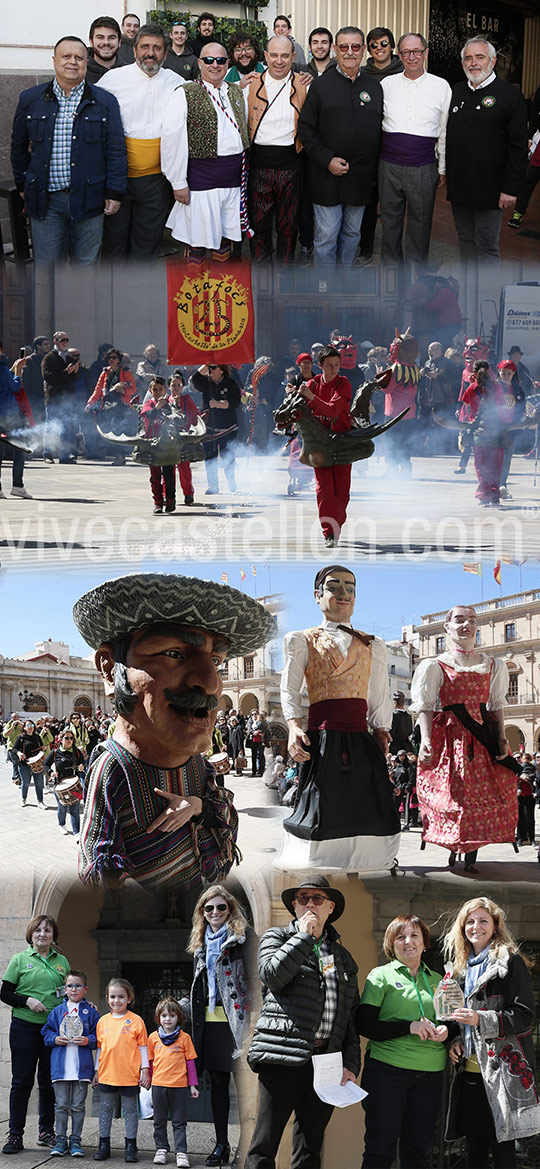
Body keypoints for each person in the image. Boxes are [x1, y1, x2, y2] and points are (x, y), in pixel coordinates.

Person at [75, 571, 275, 891]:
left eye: (216, 660)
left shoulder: (197, 764)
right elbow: (98, 862)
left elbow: (226, 816)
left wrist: (196, 806)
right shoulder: (113, 768)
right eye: (173, 654)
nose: (210, 682)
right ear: (111, 671)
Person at [278, 565, 401, 871]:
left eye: (351, 587)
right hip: (322, 738)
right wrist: (293, 726)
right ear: (318, 596)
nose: (344, 594)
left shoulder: (373, 643)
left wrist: (381, 727)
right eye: (334, 587)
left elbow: (378, 691)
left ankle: (366, 861)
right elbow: (290, 686)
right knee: (323, 803)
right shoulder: (301, 639)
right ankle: (320, 864)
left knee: (367, 802)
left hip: (361, 737)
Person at [245, 875, 360, 1169]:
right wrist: (304, 938)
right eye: (303, 898)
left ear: (330, 907)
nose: (310, 903)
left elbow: (349, 1016)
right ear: (294, 906)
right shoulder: (276, 938)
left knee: (310, 1147)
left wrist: (351, 1062)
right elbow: (272, 976)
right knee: (264, 1144)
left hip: (327, 1061)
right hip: (282, 1055)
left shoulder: (343, 957)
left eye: (317, 898)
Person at [410, 603, 518, 870]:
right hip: (451, 739)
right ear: (447, 626)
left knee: (480, 796)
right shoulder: (435, 665)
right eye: (459, 620)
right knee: (453, 794)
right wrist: (425, 738)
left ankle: (471, 854)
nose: (466, 624)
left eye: (471, 620)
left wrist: (501, 736)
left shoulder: (492, 665)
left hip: (481, 739)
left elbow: (496, 705)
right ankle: (452, 846)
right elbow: (425, 705)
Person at [11, 36, 126, 264]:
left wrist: (114, 192)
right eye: (66, 56)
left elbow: (116, 150)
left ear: (86, 62)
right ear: (54, 60)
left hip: (90, 198)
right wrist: (23, 184)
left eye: (79, 58)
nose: (72, 62)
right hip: (46, 200)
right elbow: (18, 146)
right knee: (48, 266)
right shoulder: (30, 99)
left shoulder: (105, 101)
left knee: (85, 263)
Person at [444, 897, 540, 1167]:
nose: (476, 926)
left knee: (503, 1155)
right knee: (474, 1152)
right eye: (470, 921)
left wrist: (480, 1019)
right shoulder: (459, 970)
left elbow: (523, 1015)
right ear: (463, 928)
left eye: (483, 920)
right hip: (470, 1075)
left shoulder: (510, 962)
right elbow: (457, 1020)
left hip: (503, 1074)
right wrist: (454, 1040)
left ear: (496, 925)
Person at [356, 914, 448, 1168]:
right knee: (380, 1151)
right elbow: (365, 1024)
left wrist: (446, 1031)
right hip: (387, 1072)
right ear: (391, 944)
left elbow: (451, 1022)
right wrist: (409, 1026)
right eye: (400, 936)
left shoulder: (439, 981)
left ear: (425, 943)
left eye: (415, 935)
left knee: (417, 1153)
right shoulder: (380, 976)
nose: (408, 941)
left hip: (430, 1074)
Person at [298, 27, 382, 266]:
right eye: (343, 47)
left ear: (364, 50)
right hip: (326, 177)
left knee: (352, 234)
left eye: (355, 47)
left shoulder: (374, 87)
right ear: (335, 50)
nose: (349, 52)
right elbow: (305, 129)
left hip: (360, 178)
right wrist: (327, 160)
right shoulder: (321, 86)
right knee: (326, 236)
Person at [97, 24, 180, 260]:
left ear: (165, 53)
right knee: (114, 243)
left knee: (147, 243)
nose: (150, 53)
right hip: (118, 179)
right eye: (145, 46)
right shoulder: (112, 80)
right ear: (134, 51)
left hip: (155, 181)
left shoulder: (177, 83)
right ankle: (112, 295)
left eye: (157, 48)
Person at [161, 44, 250, 262]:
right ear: (199, 63)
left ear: (228, 64)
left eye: (220, 60)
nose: (215, 65)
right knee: (197, 243)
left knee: (224, 242)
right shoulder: (185, 93)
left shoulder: (236, 91)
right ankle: (194, 294)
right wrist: (178, 182)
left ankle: (220, 293)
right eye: (209, 60)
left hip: (233, 183)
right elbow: (172, 139)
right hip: (202, 183)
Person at [188, 884, 256, 1167]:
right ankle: (221, 1145)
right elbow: (199, 986)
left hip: (238, 1023)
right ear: (202, 913)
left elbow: (255, 980)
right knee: (217, 1084)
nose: (215, 912)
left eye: (221, 907)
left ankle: (246, 1145)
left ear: (230, 910)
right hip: (210, 1023)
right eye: (209, 908)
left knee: (244, 1088)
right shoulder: (200, 944)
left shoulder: (245, 938)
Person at [446, 38, 528, 263]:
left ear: (492, 61)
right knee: (464, 239)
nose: (473, 63)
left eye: (480, 57)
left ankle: (486, 296)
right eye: (468, 58)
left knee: (486, 246)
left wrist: (511, 188)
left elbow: (518, 147)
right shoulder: (455, 91)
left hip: (491, 189)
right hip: (460, 186)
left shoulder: (510, 96)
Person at [379, 33, 451, 268]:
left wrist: (441, 168)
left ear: (426, 52)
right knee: (390, 222)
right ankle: (391, 273)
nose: (412, 57)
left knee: (420, 224)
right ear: (398, 55)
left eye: (417, 51)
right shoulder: (386, 84)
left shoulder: (441, 86)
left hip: (423, 166)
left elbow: (444, 131)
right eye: (406, 52)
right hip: (388, 165)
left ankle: (415, 275)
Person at [1, 914, 71, 1154]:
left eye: (48, 930)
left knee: (48, 1083)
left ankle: (46, 1132)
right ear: (31, 934)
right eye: (38, 930)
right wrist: (27, 1001)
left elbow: (68, 993)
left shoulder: (61, 961)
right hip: (24, 1027)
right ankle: (15, 1135)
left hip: (52, 1031)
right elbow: (5, 993)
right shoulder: (20, 959)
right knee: (21, 1082)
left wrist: (85, 1004)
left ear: (54, 936)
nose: (43, 934)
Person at [247, 36, 308, 263]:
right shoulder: (250, 85)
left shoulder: (304, 85)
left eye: (285, 55)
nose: (279, 61)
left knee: (288, 226)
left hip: (292, 167)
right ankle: (262, 275)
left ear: (293, 57)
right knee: (259, 225)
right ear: (265, 56)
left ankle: (284, 275)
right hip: (259, 167)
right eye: (274, 55)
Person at [295, 345, 353, 545]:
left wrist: (310, 397)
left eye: (337, 365)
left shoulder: (343, 384)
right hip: (319, 445)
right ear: (320, 366)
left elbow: (333, 411)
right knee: (324, 489)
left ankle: (337, 523)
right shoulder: (312, 384)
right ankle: (329, 532)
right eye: (329, 365)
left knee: (342, 491)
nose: (334, 369)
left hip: (342, 442)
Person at [41, 970, 100, 1158]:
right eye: (70, 986)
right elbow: (46, 1031)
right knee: (60, 1105)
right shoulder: (58, 1011)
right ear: (64, 989)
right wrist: (54, 1038)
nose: (73, 989)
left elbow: (99, 1037)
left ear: (85, 989)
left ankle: (75, 1140)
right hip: (60, 1068)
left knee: (78, 1106)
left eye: (78, 985)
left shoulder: (90, 1012)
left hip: (81, 1069)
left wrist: (88, 1041)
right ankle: (60, 1139)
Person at [93, 978, 149, 1164]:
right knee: (106, 1109)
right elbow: (100, 1049)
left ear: (129, 998)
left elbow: (143, 1048)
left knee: (131, 1111)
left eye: (121, 997)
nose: (116, 1001)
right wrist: (96, 1071)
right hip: (107, 1073)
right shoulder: (102, 1021)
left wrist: (145, 1070)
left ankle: (131, 1145)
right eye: (113, 997)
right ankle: (104, 1145)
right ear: (107, 998)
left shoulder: (136, 1021)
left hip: (129, 1075)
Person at [148, 997, 199, 1169]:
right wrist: (148, 1080)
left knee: (179, 1121)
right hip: (158, 1085)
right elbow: (149, 1062)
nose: (167, 1019)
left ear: (179, 1018)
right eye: (163, 1015)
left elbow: (190, 1063)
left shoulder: (185, 1038)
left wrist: (193, 1085)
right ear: (158, 1018)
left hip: (178, 1087)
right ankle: (161, 1149)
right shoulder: (153, 1038)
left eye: (172, 1015)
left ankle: (181, 1152)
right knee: (159, 1120)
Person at [189, 365, 240, 494]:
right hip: (210, 428)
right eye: (209, 368)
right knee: (210, 457)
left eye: (213, 367)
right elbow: (195, 379)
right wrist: (206, 363)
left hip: (227, 428)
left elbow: (236, 401)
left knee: (227, 457)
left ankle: (231, 483)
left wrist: (218, 404)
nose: (210, 370)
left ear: (221, 370)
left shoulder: (230, 383)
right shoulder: (206, 383)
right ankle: (213, 486)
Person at [0, 349, 33, 500]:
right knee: (19, 448)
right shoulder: (2, 369)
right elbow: (15, 387)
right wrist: (18, 371)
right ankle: (17, 486)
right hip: (7, 416)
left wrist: (13, 368)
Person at [44, 728, 86, 840]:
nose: (69, 740)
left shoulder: (76, 752)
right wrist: (51, 773)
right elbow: (45, 765)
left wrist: (82, 767)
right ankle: (61, 824)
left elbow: (83, 763)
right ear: (61, 739)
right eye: (66, 738)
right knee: (62, 808)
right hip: (60, 786)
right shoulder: (55, 752)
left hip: (74, 785)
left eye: (71, 738)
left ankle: (77, 832)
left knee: (75, 809)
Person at [13, 719, 46, 809]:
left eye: (32, 725)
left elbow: (41, 748)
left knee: (39, 783)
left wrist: (43, 749)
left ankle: (40, 801)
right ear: (24, 727)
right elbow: (14, 749)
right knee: (26, 783)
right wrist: (19, 753)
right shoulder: (21, 738)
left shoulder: (37, 737)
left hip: (37, 764)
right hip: (24, 764)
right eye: (28, 725)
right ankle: (24, 798)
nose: (30, 727)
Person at [21, 337, 49, 424]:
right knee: (35, 420)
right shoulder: (30, 360)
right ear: (38, 346)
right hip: (34, 396)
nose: (48, 346)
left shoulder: (48, 358)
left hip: (46, 395)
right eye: (45, 344)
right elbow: (26, 380)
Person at [86, 17, 122, 83]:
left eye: (111, 38)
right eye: (100, 37)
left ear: (119, 42)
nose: (106, 42)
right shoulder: (81, 74)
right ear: (91, 41)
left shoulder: (128, 73)